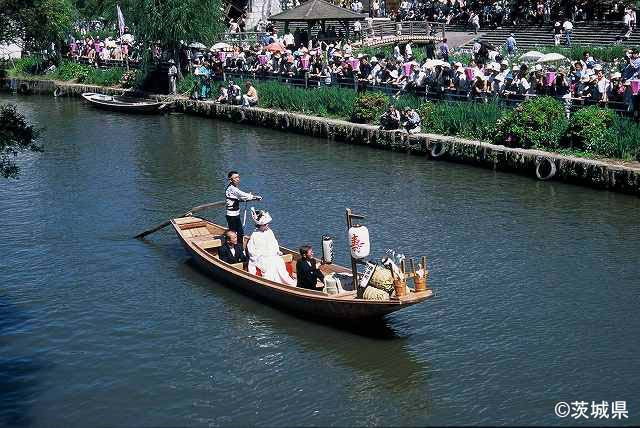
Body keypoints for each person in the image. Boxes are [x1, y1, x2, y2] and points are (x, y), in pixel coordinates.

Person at [247, 208, 297, 286]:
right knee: (270, 264)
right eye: (265, 224)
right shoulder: (254, 235)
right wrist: (259, 256)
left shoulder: (269, 231)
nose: (267, 225)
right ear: (260, 225)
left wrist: (277, 251)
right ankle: (271, 283)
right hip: (261, 257)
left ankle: (285, 281)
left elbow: (274, 243)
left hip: (273, 255)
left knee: (278, 261)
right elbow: (252, 251)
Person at [225, 171, 261, 244]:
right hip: (231, 215)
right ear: (230, 179)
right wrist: (254, 197)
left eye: (238, 177)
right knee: (233, 235)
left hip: (236, 214)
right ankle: (233, 250)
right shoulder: (231, 188)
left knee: (240, 233)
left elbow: (240, 196)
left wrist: (248, 197)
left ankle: (240, 249)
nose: (238, 179)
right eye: (235, 177)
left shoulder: (234, 187)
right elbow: (241, 194)